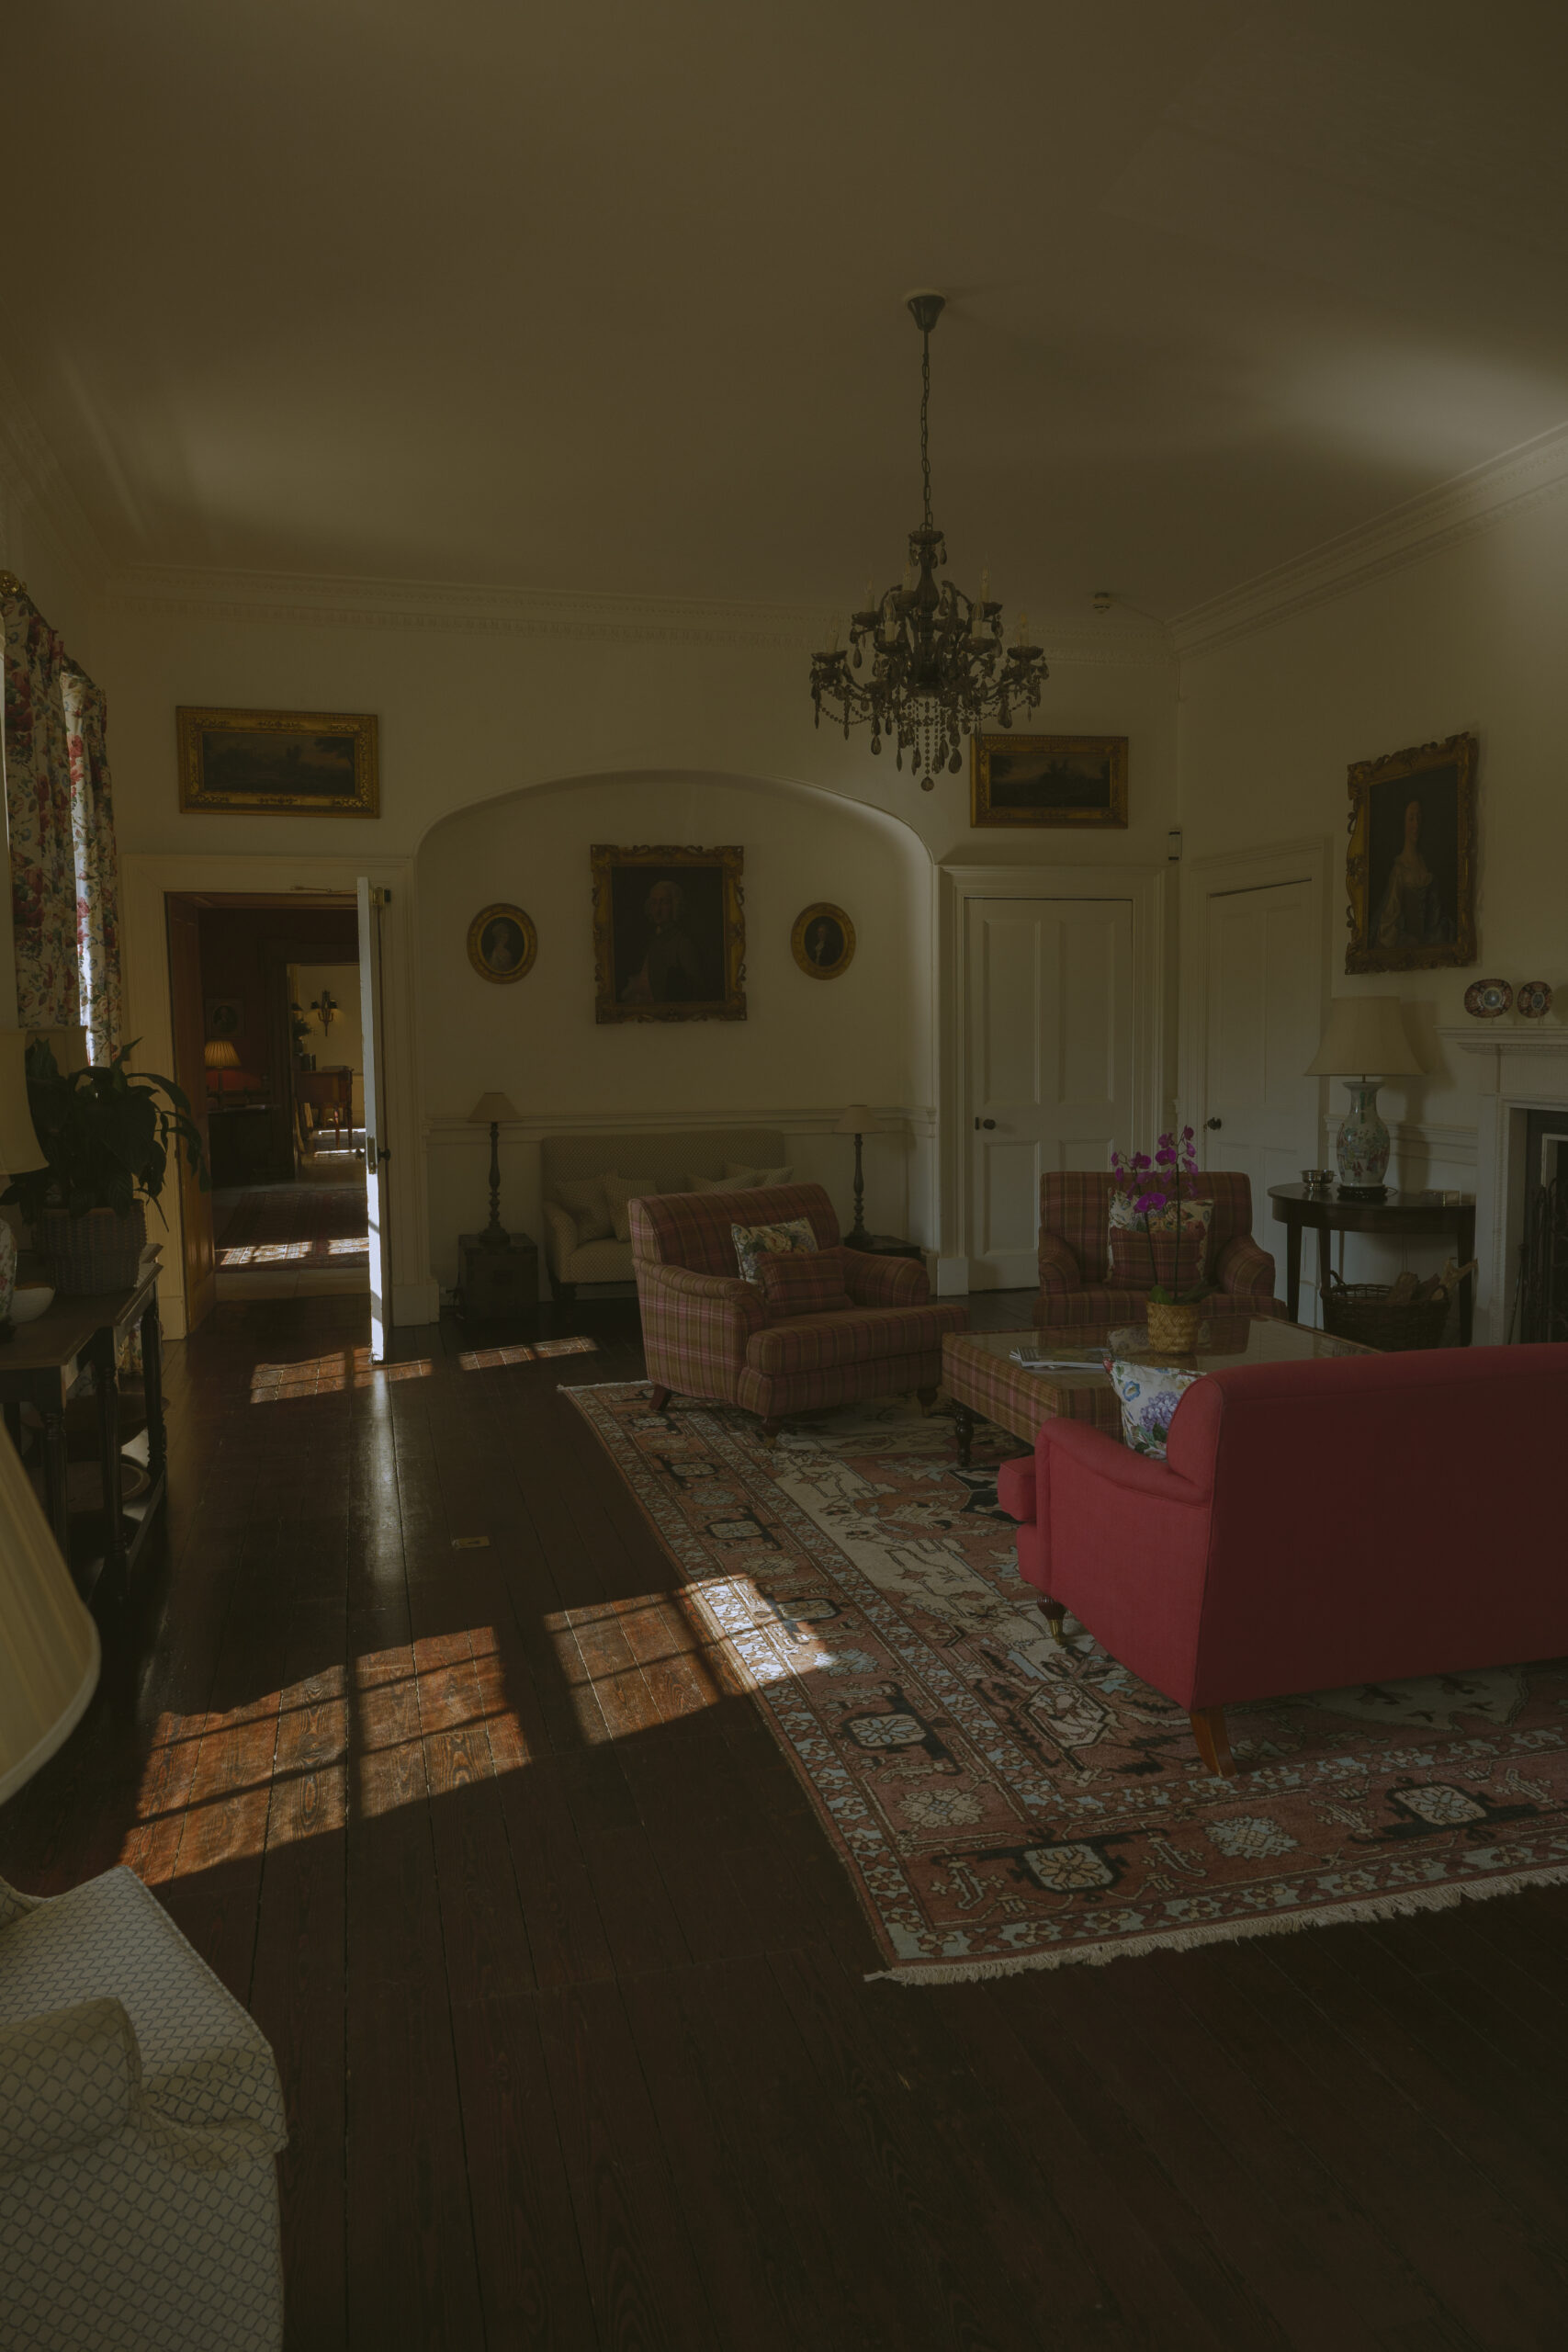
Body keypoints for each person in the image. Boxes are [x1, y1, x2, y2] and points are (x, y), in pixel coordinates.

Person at [1374, 797, 1453, 951]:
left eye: (1419, 818)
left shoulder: (1428, 864)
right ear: (1403, 823)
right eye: (1411, 819)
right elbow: (1388, 926)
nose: (1416, 824)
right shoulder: (1399, 870)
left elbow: (1437, 916)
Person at [620, 878, 703, 1003]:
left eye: (664, 903)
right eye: (654, 903)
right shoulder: (652, 939)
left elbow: (696, 990)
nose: (658, 910)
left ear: (675, 906)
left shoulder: (683, 943)